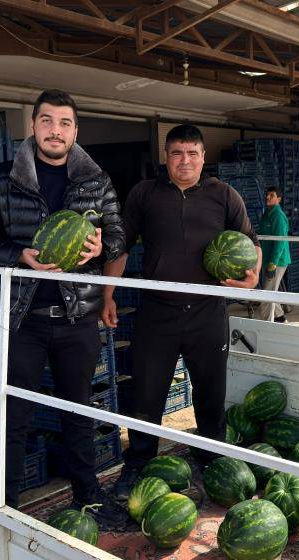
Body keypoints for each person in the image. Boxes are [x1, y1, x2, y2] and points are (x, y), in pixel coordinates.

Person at [0, 89, 128, 526]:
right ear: (33, 126)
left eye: (66, 123)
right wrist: (21, 255)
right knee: (13, 415)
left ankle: (88, 496)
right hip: (21, 321)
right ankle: (8, 503)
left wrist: (99, 247)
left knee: (78, 411)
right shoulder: (0, 180)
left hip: (77, 319)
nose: (56, 130)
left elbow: (118, 235)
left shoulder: (95, 182)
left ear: (76, 130)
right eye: (48, 121)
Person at [103, 124, 261, 500]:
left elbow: (250, 242)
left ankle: (212, 460)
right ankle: (139, 463)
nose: (185, 160)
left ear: (203, 157)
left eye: (192, 153)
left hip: (207, 311)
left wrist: (252, 278)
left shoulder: (225, 196)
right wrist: (107, 294)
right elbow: (121, 246)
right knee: (146, 393)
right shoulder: (144, 194)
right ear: (166, 157)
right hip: (157, 311)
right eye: (177, 153)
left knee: (210, 394)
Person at [255, 188, 290, 322]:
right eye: (267, 194)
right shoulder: (266, 215)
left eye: (272, 195)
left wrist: (273, 263)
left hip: (277, 261)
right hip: (267, 259)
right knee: (271, 291)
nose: (268, 197)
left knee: (267, 295)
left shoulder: (278, 216)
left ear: (279, 199)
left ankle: (266, 323)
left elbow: (280, 242)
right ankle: (281, 320)